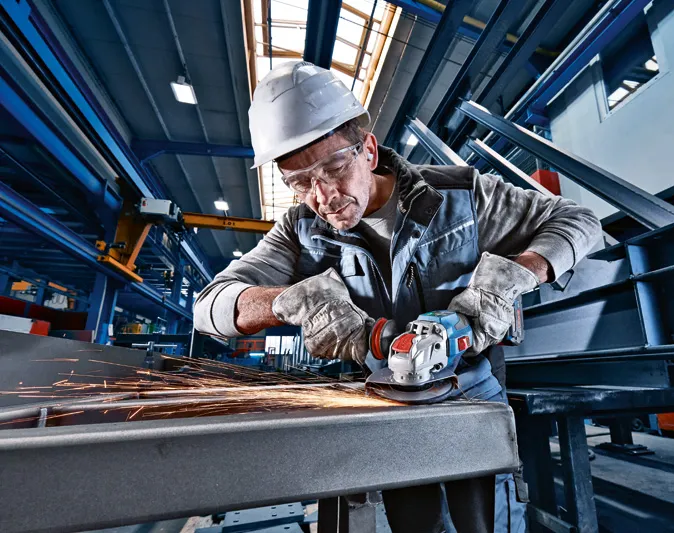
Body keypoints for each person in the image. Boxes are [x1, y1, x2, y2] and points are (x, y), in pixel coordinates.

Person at [194, 61, 601, 533]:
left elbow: (580, 221)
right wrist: (290, 301)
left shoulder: (460, 195)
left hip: (471, 392)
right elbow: (210, 304)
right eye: (301, 182)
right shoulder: (298, 229)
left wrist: (512, 279)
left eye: (333, 167)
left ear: (367, 149)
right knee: (414, 522)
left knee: (487, 521)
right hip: (386, 402)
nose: (323, 196)